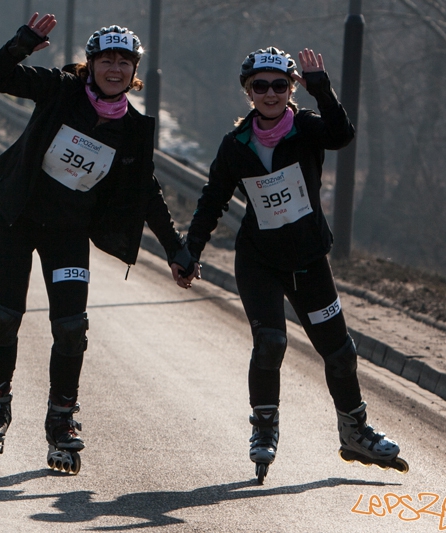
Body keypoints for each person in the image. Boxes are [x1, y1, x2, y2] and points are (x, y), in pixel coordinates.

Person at [0, 13, 195, 474]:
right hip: (16, 218)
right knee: (4, 317)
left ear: (134, 74)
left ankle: (61, 419)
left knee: (71, 327)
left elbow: (146, 191)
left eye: (124, 62)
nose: (114, 68)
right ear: (90, 65)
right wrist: (23, 42)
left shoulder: (132, 129)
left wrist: (176, 249)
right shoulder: (60, 90)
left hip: (68, 233)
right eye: (106, 60)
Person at [177, 47, 406, 482]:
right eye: (259, 86)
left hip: (308, 260)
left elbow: (342, 134)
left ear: (290, 89)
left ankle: (354, 432)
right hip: (259, 261)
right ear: (248, 91)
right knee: (271, 343)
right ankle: (264, 430)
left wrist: (321, 87)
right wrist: (192, 250)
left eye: (279, 85)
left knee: (339, 353)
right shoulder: (236, 145)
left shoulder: (306, 129)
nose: (269, 93)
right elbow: (212, 201)